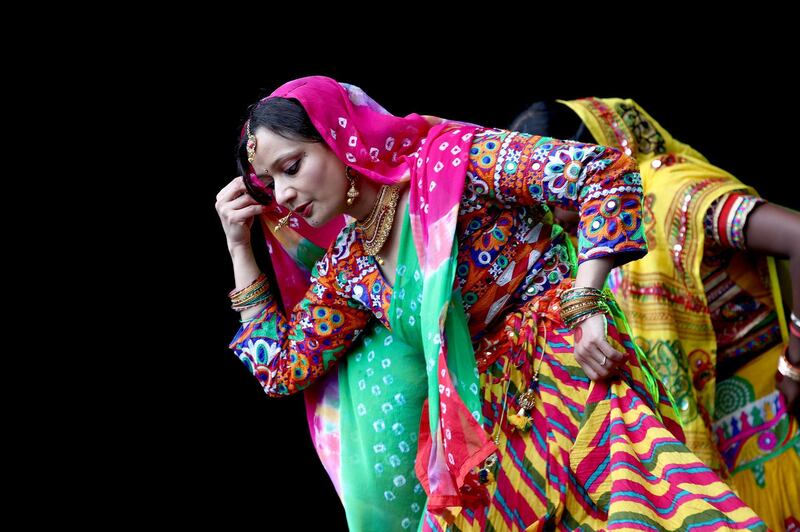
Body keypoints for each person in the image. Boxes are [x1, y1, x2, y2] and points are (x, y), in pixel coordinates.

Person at [215, 76, 768, 531]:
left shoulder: (452, 166)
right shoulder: (350, 267)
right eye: (268, 183)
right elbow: (284, 368)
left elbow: (602, 175)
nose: (282, 194)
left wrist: (586, 296)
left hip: (570, 377)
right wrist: (240, 247)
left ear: (340, 136)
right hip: (482, 435)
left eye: (291, 167)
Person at [511, 97, 800, 530]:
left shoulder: (673, 196)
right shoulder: (585, 243)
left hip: (779, 419)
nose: (545, 208)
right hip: (718, 446)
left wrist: (796, 365)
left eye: (550, 184)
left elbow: (799, 236)